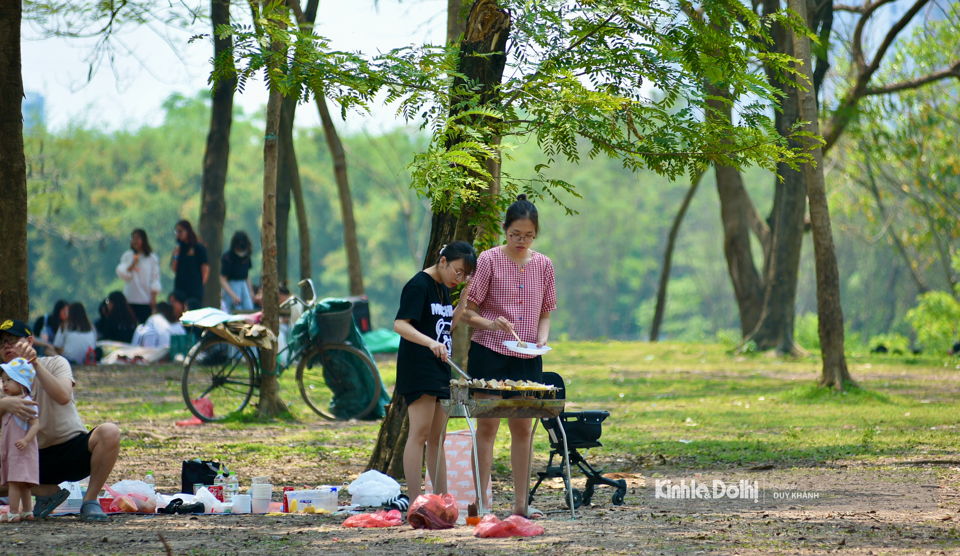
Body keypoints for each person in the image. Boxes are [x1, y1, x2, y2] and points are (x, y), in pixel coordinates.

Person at [463, 194, 556, 519]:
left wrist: (541, 339)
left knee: (523, 428)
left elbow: (545, 313)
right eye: (516, 234)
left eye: (528, 236)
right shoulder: (487, 260)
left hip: (527, 356)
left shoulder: (544, 265)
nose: (522, 241)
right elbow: (467, 313)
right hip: (488, 353)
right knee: (487, 427)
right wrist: (492, 323)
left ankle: (520, 504)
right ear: (505, 229)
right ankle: (483, 504)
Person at [0, 320, 119, 521]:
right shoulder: (3, 381)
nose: (6, 346)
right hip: (28, 457)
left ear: (29, 342)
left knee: (110, 432)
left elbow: (63, 396)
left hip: (70, 449)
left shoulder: (55, 363)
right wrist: (4, 405)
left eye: (12, 340)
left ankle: (90, 501)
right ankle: (45, 491)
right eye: (2, 342)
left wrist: (35, 364)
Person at [393, 241, 476, 509]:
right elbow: (400, 324)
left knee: (437, 438)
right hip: (418, 367)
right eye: (458, 271)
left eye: (465, 275)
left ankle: (442, 504)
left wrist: (462, 302)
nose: (459, 278)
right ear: (442, 261)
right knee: (420, 433)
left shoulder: (443, 288)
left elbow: (443, 328)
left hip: (440, 368)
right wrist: (429, 343)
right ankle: (417, 503)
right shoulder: (419, 285)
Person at [0, 358, 41, 522]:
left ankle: (13, 512)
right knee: (22, 482)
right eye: (3, 380)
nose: (5, 384)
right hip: (13, 450)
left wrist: (26, 440)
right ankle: (27, 511)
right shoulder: (8, 404)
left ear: (23, 382)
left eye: (9, 380)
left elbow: (35, 425)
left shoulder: (27, 403)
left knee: (15, 482)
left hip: (21, 450)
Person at [116, 229, 162, 324]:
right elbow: (123, 274)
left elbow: (155, 278)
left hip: (145, 298)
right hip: (130, 298)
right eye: (133, 238)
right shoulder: (128, 256)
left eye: (137, 238)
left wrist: (154, 296)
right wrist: (133, 264)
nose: (135, 241)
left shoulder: (151, 258)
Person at [170, 220, 209, 304]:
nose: (178, 234)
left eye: (181, 231)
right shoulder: (179, 248)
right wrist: (176, 255)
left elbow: (205, 268)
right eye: (177, 232)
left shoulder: (198, 247)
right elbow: (174, 269)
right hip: (180, 288)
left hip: (194, 289)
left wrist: (199, 283)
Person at [220, 231, 255, 313]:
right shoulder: (228, 258)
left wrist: (251, 292)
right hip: (232, 285)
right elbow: (222, 279)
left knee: (249, 308)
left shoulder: (246, 256)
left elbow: (246, 276)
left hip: (244, 285)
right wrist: (233, 295)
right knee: (236, 311)